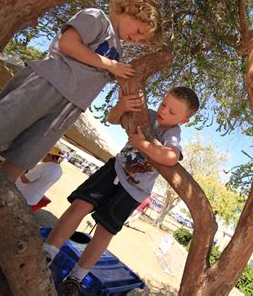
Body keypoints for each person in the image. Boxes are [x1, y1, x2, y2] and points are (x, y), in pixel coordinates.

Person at [44, 87, 200, 295]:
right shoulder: (147, 115)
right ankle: (48, 252)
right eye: (164, 104)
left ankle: (76, 277)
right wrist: (122, 106)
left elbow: (170, 157)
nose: (164, 111)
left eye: (173, 112)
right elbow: (113, 118)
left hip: (134, 191)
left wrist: (141, 143)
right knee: (79, 206)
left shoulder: (173, 134)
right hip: (114, 169)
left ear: (183, 120)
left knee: (105, 232)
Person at [0, 0, 163, 182]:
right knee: (2, 124)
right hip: (49, 83)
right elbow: (67, 44)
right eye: (140, 32)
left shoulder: (119, 50)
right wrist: (111, 65)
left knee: (25, 155)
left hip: (70, 106)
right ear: (131, 10)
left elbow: (96, 75)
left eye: (141, 40)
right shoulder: (97, 18)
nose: (136, 39)